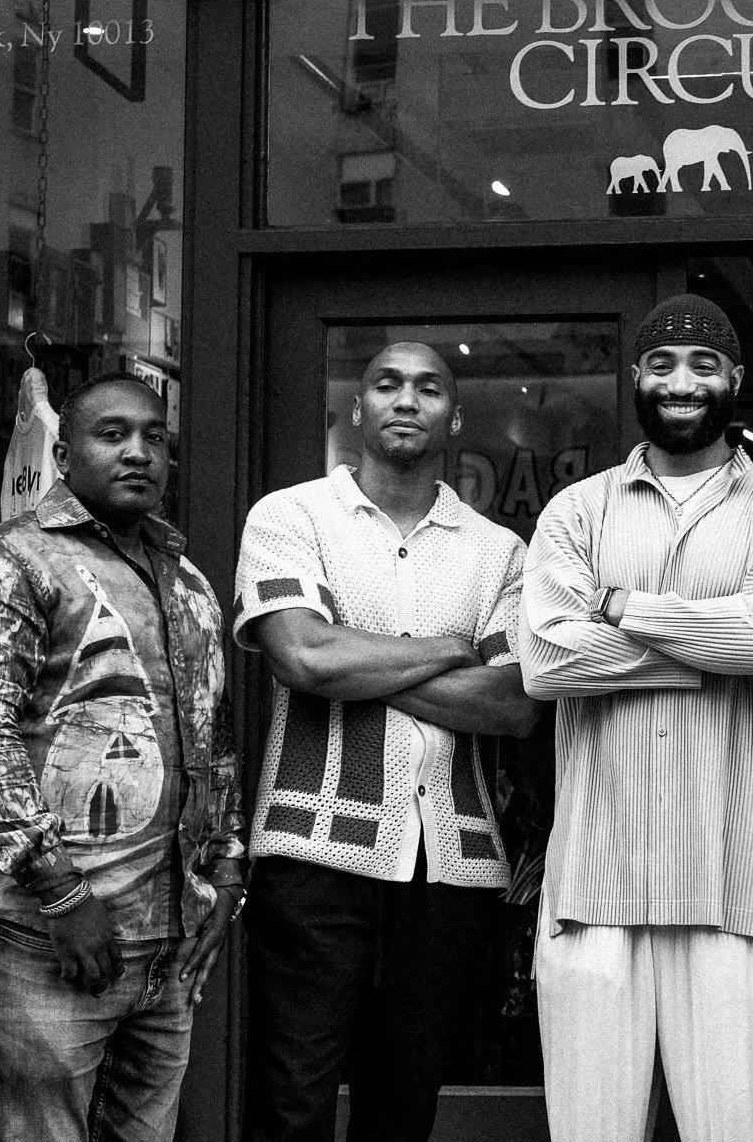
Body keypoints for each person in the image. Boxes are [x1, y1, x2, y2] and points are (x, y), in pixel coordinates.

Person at [520, 294, 753, 1142]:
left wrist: (620, 605)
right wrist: (707, 641)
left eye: (703, 365)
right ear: (635, 377)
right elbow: (546, 660)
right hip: (594, 878)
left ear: (735, 378)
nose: (681, 381)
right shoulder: (576, 510)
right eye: (662, 363)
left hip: (733, 876)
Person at [233, 341, 537, 1142]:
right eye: (387, 384)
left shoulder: (499, 549)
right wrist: (444, 647)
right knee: (291, 1103)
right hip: (311, 858)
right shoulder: (290, 516)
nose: (407, 399)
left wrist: (355, 656)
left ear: (455, 416)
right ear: (358, 409)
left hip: (450, 866)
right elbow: (303, 654)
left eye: (428, 387)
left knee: (403, 1112)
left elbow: (512, 704)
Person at [0, 372, 243, 1142]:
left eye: (154, 437)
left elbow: (213, 737)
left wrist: (225, 872)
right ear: (65, 454)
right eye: (113, 435)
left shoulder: (188, 582)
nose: (138, 452)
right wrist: (65, 896)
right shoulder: (10, 562)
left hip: (166, 943)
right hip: (50, 932)